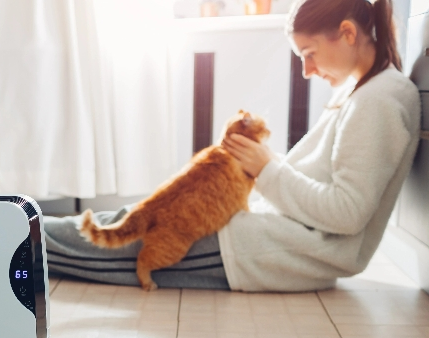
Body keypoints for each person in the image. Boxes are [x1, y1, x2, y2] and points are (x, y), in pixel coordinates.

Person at [43, 0, 421, 292]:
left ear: (348, 33)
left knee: (100, 247)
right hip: (259, 234)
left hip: (263, 251)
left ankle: (4, 231)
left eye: (309, 54)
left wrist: (266, 168)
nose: (307, 71)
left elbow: (347, 212)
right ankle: (7, 223)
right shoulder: (365, 93)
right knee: (127, 216)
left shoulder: (379, 102)